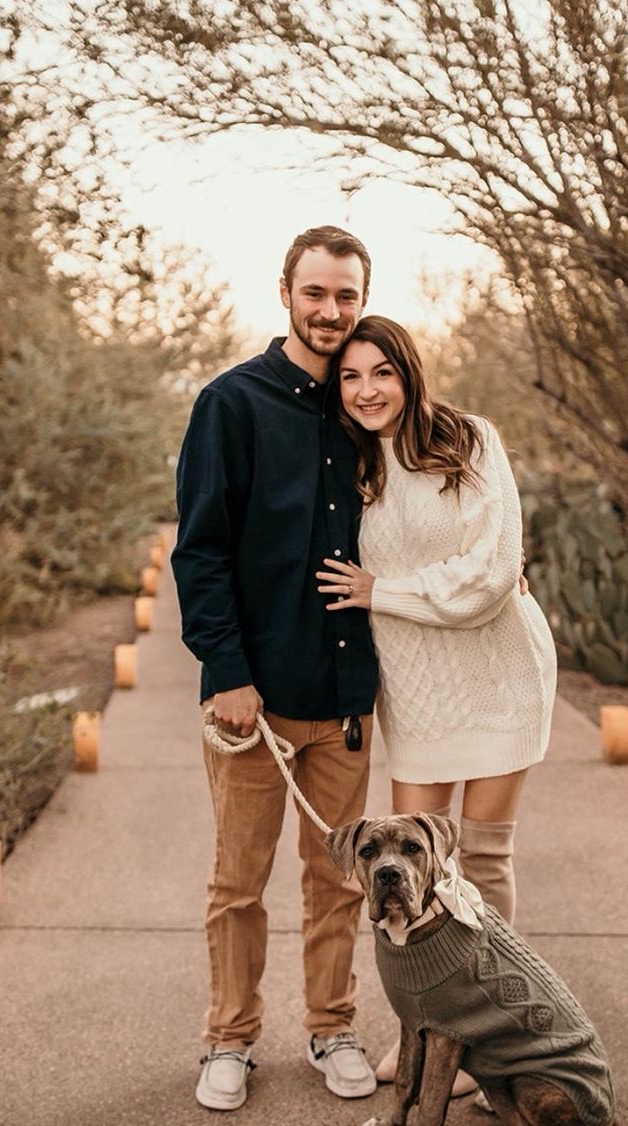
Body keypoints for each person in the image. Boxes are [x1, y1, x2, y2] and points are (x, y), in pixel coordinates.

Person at [316, 314, 559, 1087]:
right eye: (350, 377)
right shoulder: (350, 465)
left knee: (482, 858)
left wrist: (383, 592)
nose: (366, 391)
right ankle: (422, 1031)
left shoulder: (471, 441)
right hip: (417, 691)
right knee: (410, 869)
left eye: (381, 372)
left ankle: (484, 1040)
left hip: (499, 675)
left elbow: (494, 572)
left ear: (408, 372)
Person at [172, 226, 380, 1112]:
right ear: (286, 293)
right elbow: (200, 550)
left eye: (346, 295)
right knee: (238, 886)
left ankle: (334, 1029)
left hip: (344, 701)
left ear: (362, 300)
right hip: (249, 702)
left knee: (338, 880)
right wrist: (226, 672)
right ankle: (230, 1041)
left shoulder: (371, 404)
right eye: (316, 293)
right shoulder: (231, 404)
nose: (330, 311)